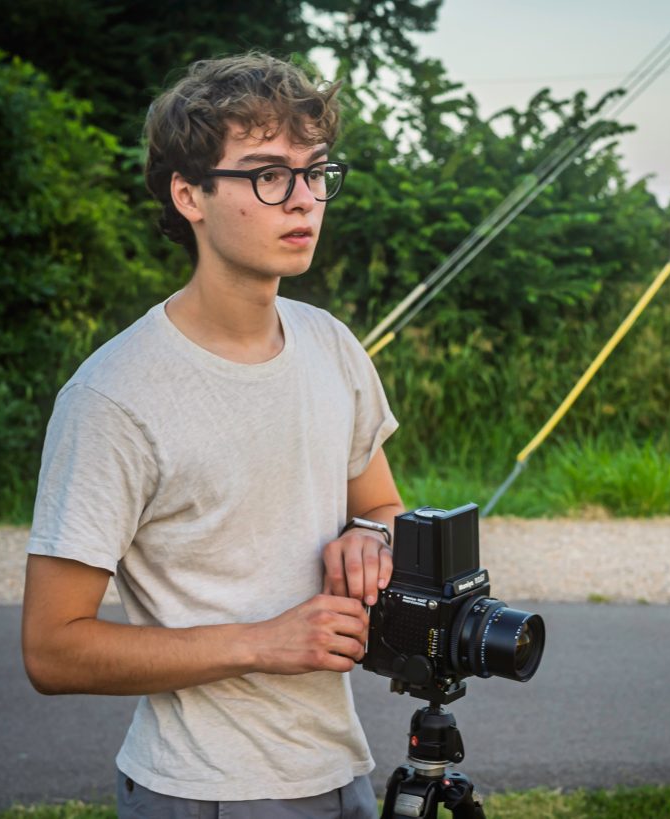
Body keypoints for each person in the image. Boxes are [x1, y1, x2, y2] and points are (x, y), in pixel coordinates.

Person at [21, 52, 404, 818]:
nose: (303, 201)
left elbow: (387, 507)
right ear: (189, 194)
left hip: (341, 771)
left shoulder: (332, 345)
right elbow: (52, 647)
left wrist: (372, 538)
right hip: (202, 791)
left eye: (317, 170)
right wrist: (261, 642)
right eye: (268, 175)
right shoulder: (114, 395)